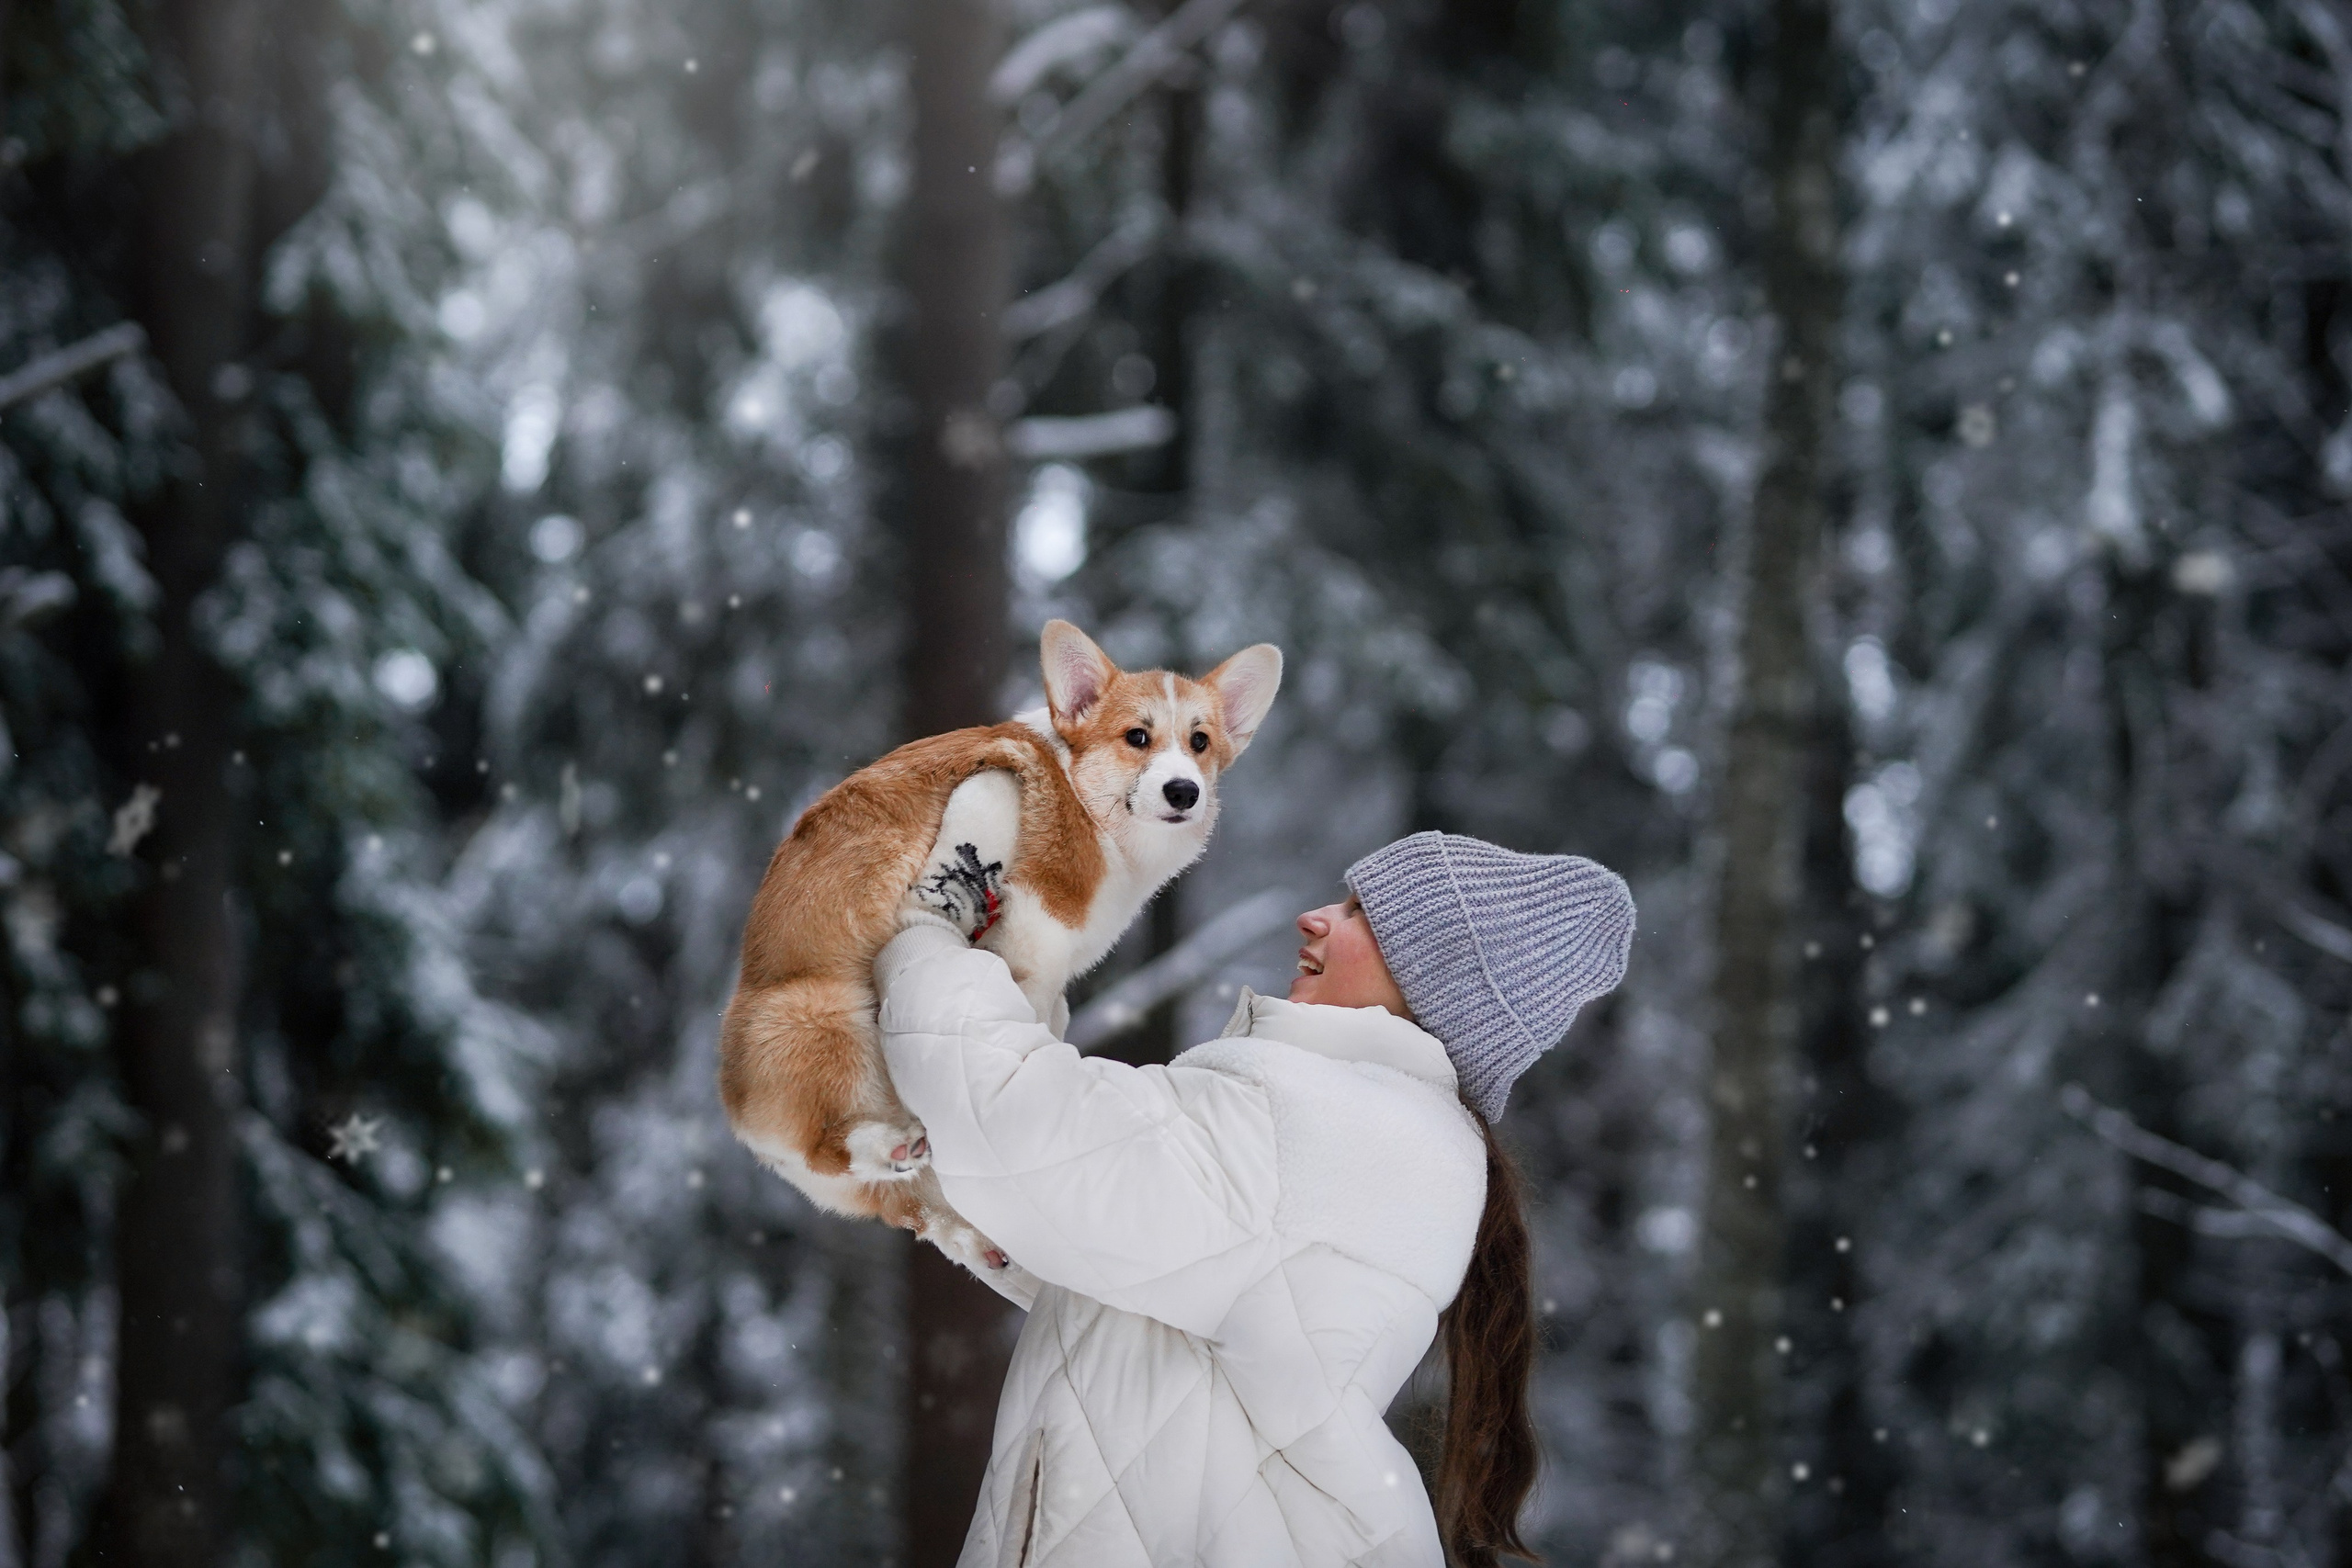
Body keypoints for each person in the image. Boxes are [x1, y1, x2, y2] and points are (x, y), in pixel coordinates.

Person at [874, 830, 1635, 1567]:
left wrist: (932, 928)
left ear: (1433, 976)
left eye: (1361, 913)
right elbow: (1128, 1257)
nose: (1317, 916)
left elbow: (1018, 1119)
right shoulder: (1388, 1135)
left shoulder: (1320, 1118)